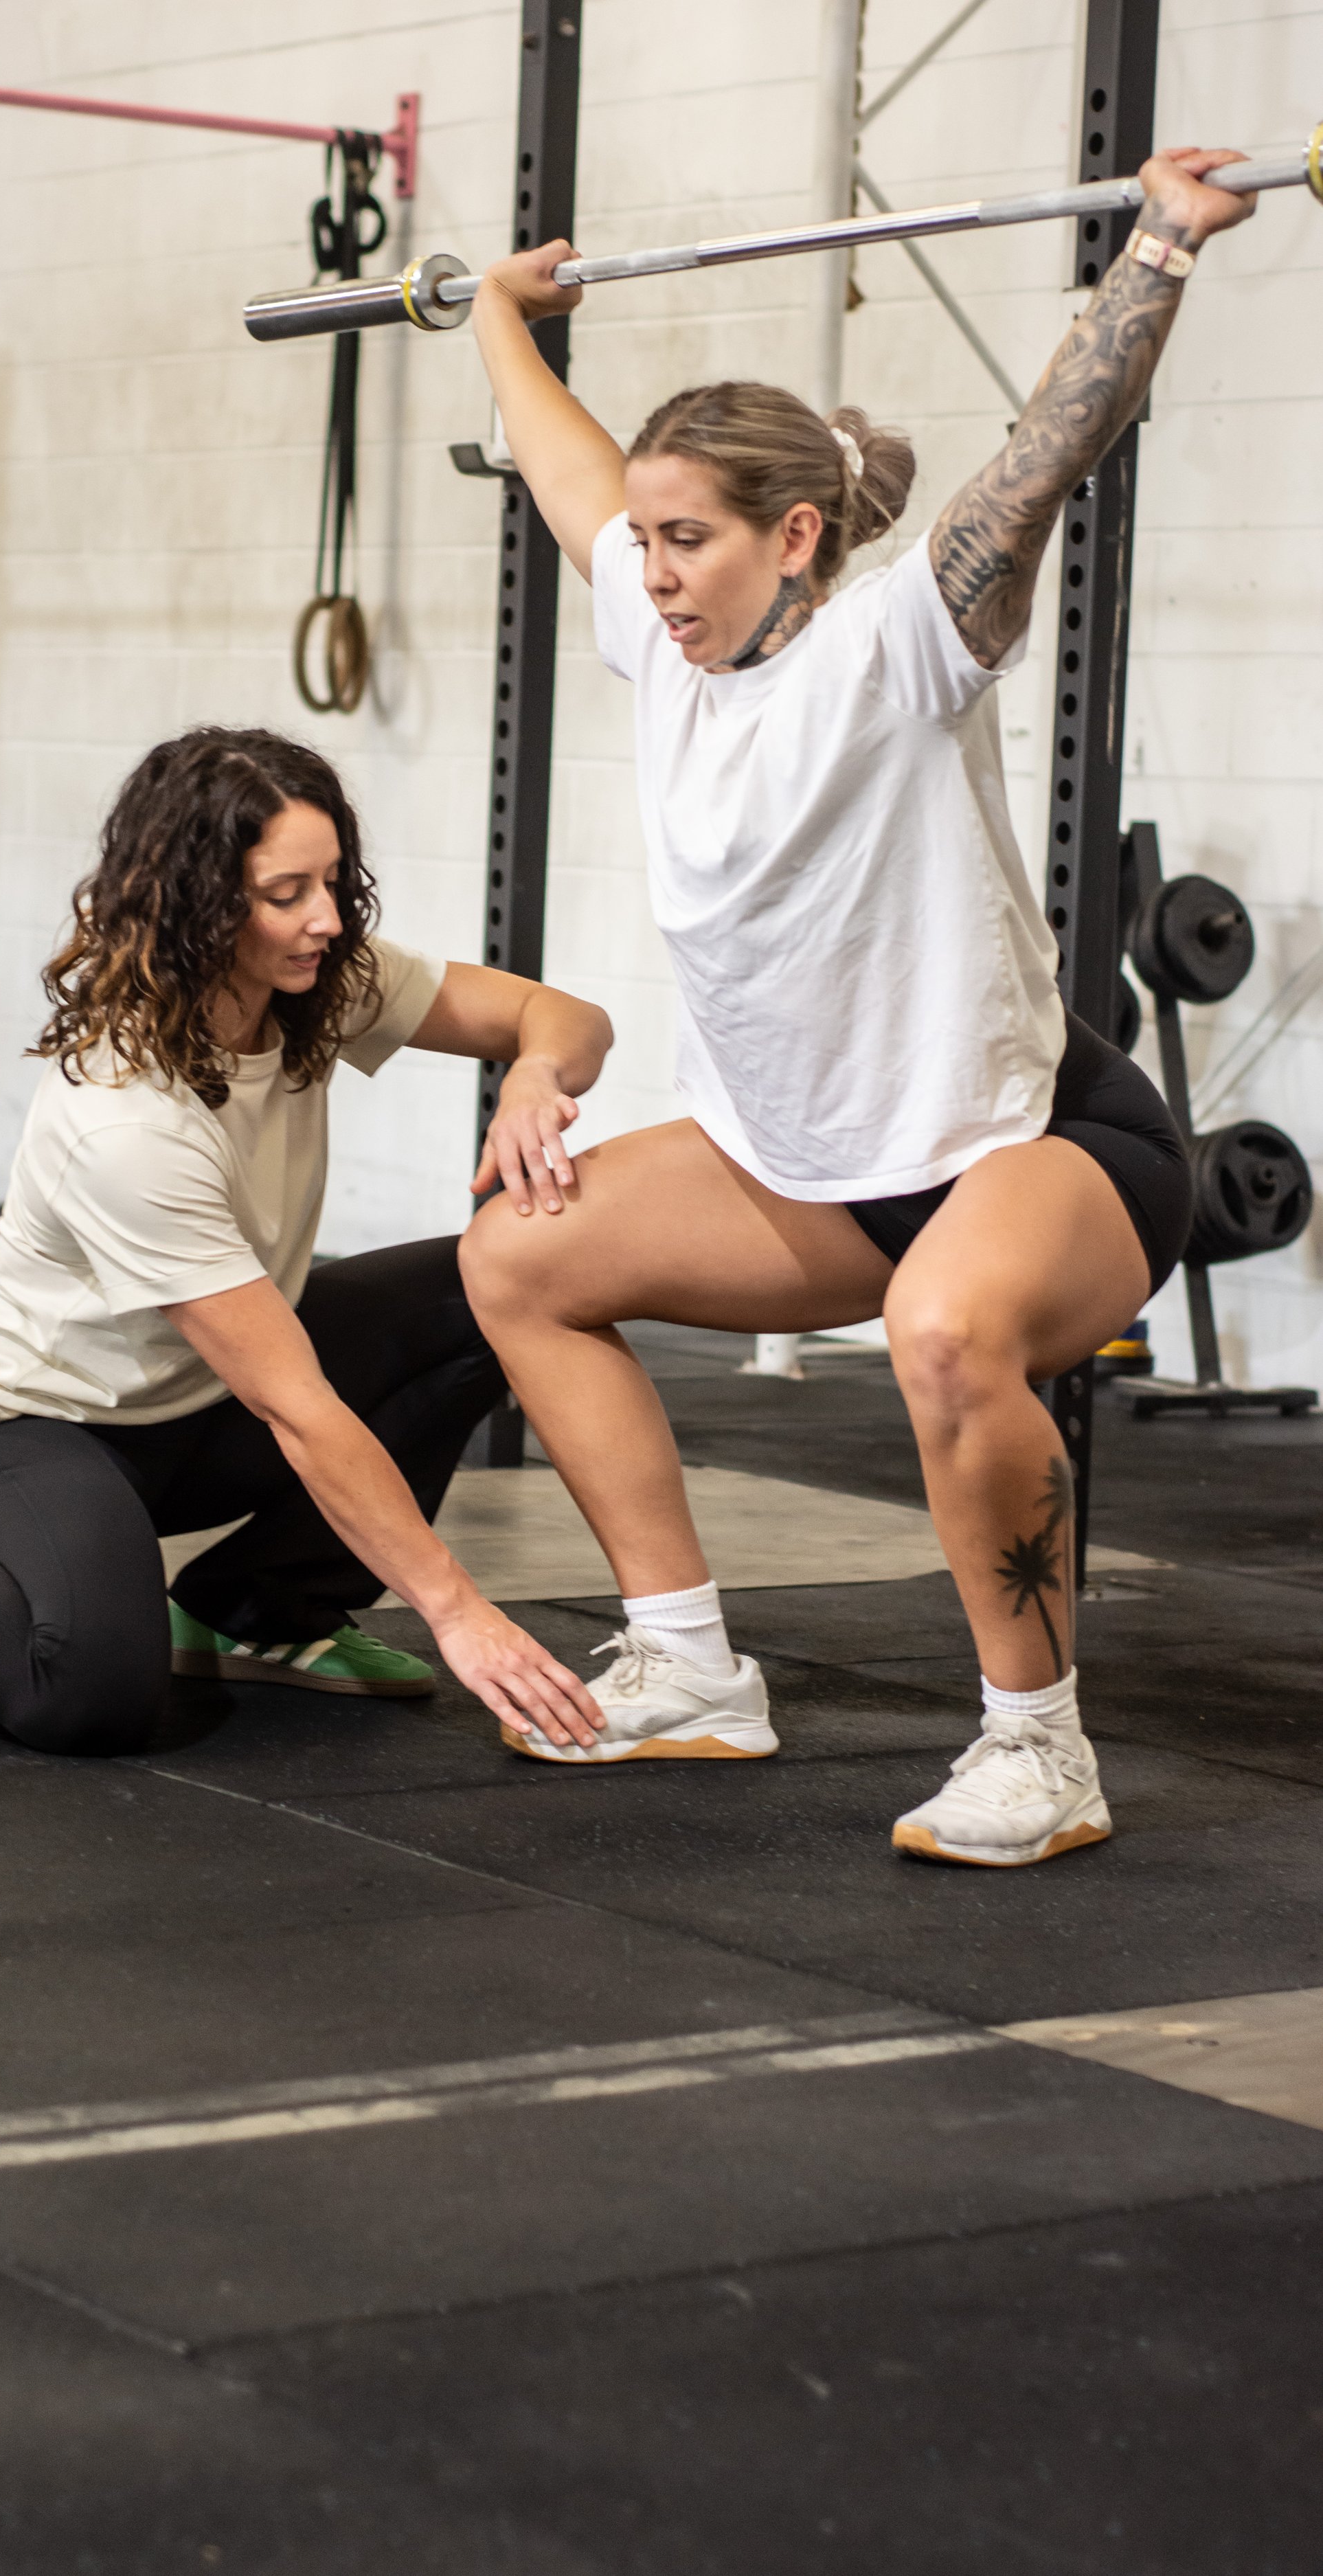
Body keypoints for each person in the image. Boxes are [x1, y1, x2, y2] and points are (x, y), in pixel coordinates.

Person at [457, 150, 1254, 1862]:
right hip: (815, 1169)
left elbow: (1045, 456)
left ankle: (1036, 1748)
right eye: (649, 545)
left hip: (1042, 1147)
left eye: (690, 543)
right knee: (515, 1259)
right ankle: (684, 1665)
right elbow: (566, 472)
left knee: (948, 1336)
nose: (652, 572)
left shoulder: (895, 644)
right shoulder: (664, 645)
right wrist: (498, 323)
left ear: (792, 536)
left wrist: (1159, 250)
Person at [0, 726, 610, 1759]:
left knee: (496, 1286)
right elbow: (298, 1405)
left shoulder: (315, 977)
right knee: (88, 1691)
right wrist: (458, 1611)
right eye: (286, 893)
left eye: (332, 881)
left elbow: (566, 1015)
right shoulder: (126, 1115)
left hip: (206, 1403)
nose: (324, 917)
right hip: (44, 1428)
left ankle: (260, 1609)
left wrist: (537, 1072)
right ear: (200, 902)